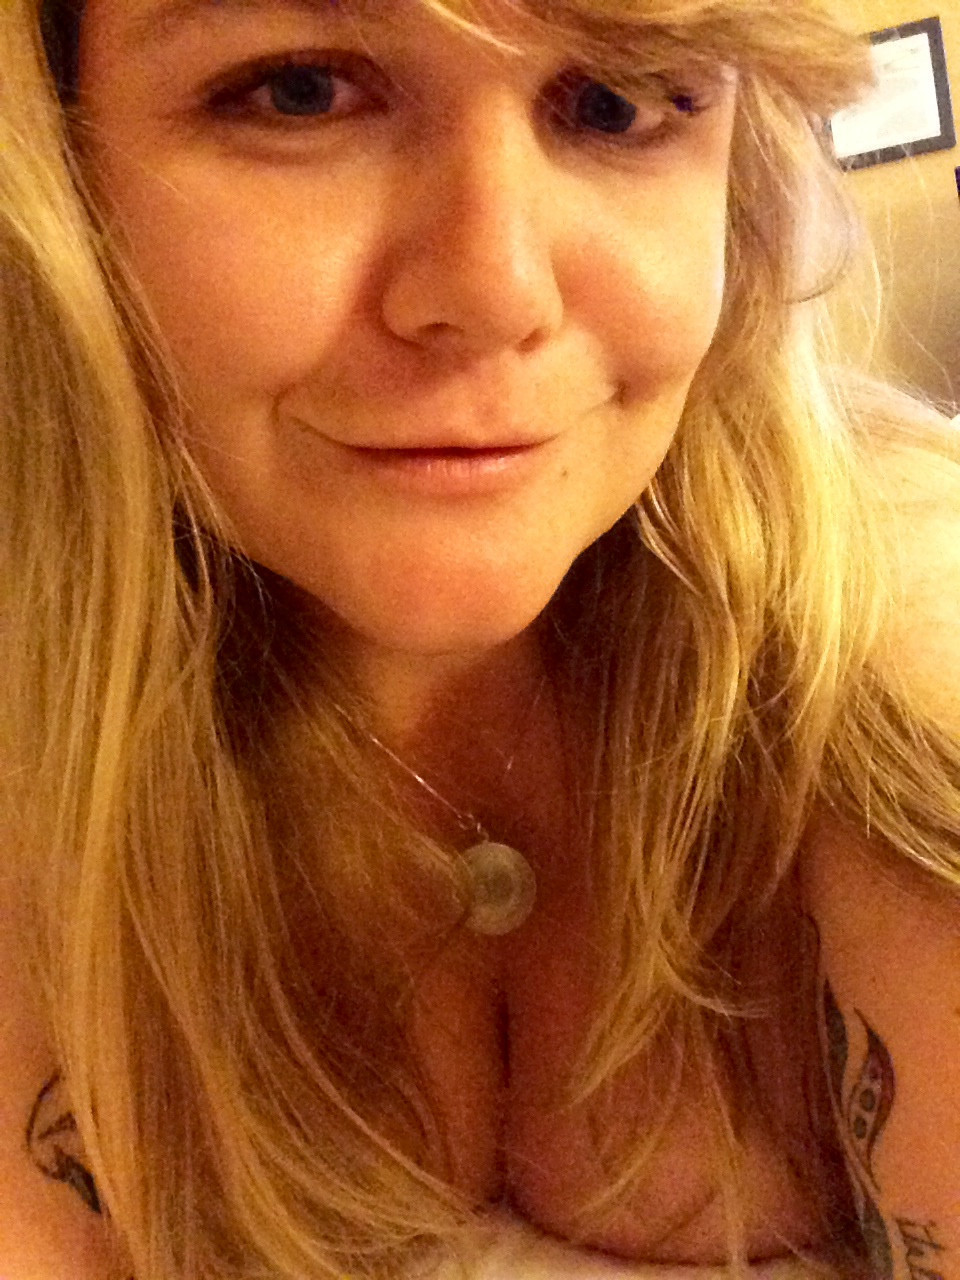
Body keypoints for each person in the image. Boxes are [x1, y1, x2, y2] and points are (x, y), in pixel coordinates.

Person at [1, 0, 959, 1276]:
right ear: (62, 162)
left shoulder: (895, 651)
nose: (496, 289)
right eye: (298, 93)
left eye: (618, 103)